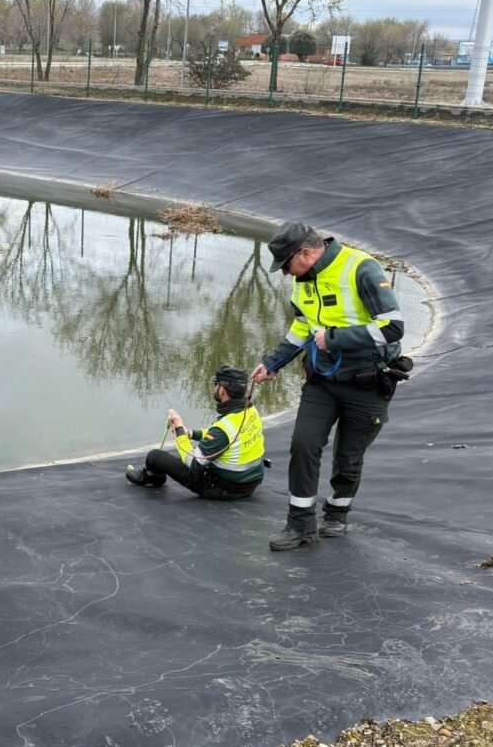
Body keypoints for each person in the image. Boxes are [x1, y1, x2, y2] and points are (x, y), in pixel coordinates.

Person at [252, 222, 407, 551]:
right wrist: (272, 363)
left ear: (305, 254)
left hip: (367, 382)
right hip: (322, 381)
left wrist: (336, 338)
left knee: (348, 456)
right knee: (303, 445)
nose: (286, 274)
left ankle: (337, 512)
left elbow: (393, 327)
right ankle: (300, 524)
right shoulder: (303, 283)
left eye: (286, 266)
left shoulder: (360, 267)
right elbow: (303, 328)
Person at [125, 365, 265, 501]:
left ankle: (153, 477)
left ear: (222, 390)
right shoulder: (250, 411)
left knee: (154, 456)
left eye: (216, 385)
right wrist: (190, 433)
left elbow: (193, 462)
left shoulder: (223, 429)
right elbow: (218, 437)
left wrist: (179, 431)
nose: (215, 388)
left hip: (223, 488)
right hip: (250, 483)